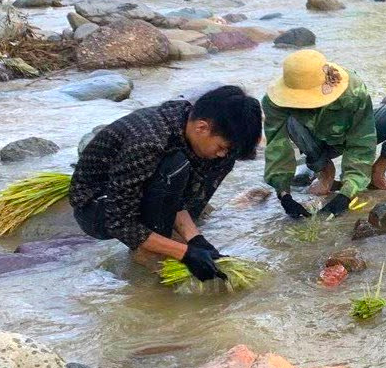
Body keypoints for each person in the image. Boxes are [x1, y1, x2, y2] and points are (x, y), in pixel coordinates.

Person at [70, 85, 263, 280]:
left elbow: (178, 197)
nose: (222, 153)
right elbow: (119, 222)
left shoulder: (189, 127)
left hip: (146, 195)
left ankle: (166, 236)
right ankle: (151, 249)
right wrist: (184, 253)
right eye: (221, 146)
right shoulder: (148, 141)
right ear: (202, 127)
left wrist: (196, 240)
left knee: (219, 160)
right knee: (176, 164)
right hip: (97, 209)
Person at [263, 49, 386, 219]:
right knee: (291, 121)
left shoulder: (352, 90)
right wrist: (284, 195)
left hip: (357, 131)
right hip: (318, 142)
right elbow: (277, 148)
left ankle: (377, 173)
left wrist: (346, 193)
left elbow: (361, 142)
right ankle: (325, 171)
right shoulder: (275, 101)